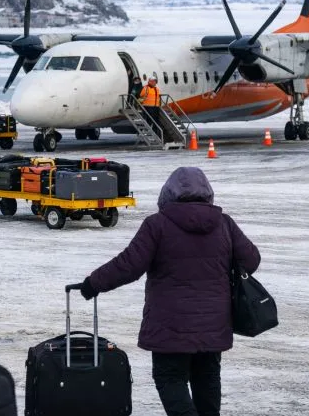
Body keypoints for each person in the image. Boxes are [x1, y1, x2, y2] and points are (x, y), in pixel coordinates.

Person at [77, 167, 261, 416]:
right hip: (213, 323)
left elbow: (129, 265)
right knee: (206, 378)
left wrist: (93, 283)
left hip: (170, 325)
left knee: (169, 377)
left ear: (168, 193)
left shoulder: (157, 225)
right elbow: (251, 260)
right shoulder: (224, 224)